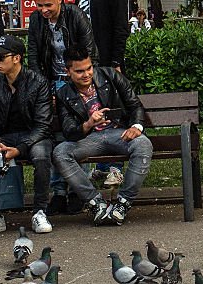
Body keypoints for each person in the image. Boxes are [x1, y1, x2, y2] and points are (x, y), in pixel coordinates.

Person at [52, 46, 153, 226]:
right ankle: (95, 203)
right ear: (68, 72)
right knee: (60, 152)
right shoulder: (64, 94)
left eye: (89, 68)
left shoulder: (110, 76)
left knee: (143, 144)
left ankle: (123, 203)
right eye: (79, 71)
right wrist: (89, 123)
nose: (86, 74)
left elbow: (134, 104)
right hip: (89, 138)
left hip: (119, 133)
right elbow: (69, 131)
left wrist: (136, 126)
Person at [0, 36, 54, 236]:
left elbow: (42, 126)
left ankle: (40, 211)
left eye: (1, 56)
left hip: (33, 137)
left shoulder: (38, 82)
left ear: (17, 58)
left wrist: (21, 148)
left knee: (41, 156)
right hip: (3, 138)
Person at [26, 0, 99, 214]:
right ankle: (58, 190)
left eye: (48, 5)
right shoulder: (37, 20)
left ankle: (78, 187)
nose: (43, 10)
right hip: (52, 81)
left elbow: (89, 51)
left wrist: (81, 83)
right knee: (57, 135)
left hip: (76, 80)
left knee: (79, 134)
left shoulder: (75, 16)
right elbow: (34, 54)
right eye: (39, 5)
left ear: (60, 0)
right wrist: (43, 88)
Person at [73, 0, 130, 189]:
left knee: (111, 113)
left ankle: (115, 167)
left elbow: (120, 26)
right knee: (93, 112)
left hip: (106, 60)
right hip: (86, 62)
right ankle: (101, 164)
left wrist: (116, 61)